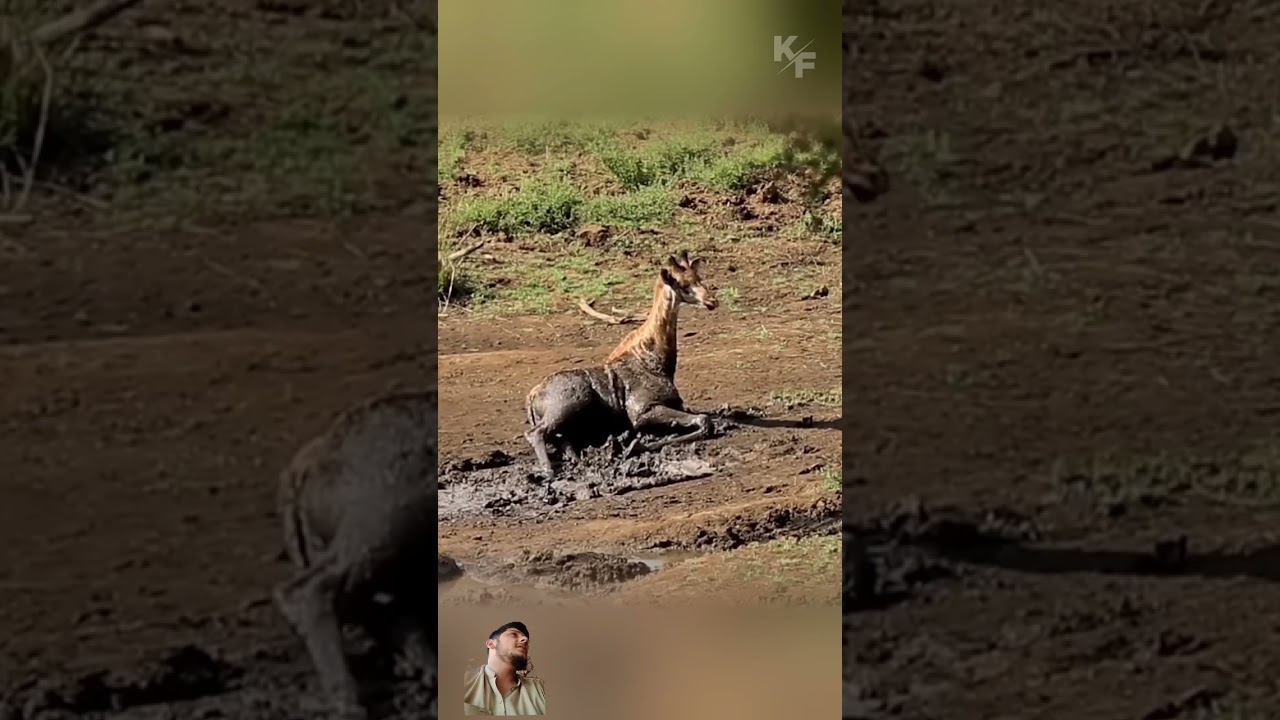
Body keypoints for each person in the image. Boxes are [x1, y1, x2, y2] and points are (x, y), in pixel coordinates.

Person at [463, 621, 547, 715]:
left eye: (526, 639)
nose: (525, 639)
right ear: (491, 643)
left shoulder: (541, 689)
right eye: (513, 634)